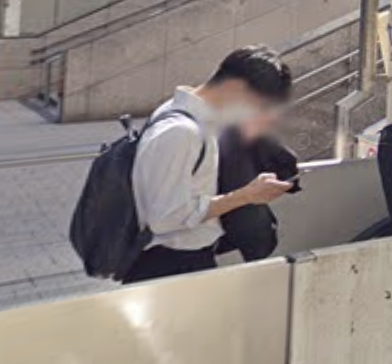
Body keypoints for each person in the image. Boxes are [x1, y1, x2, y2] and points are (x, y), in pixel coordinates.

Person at [126, 46, 294, 283]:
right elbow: (165, 218)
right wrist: (246, 195)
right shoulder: (181, 131)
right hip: (170, 265)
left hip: (181, 260)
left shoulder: (179, 111)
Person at [216, 116, 300, 263]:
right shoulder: (243, 124)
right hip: (246, 228)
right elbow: (286, 163)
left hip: (195, 233)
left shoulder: (181, 120)